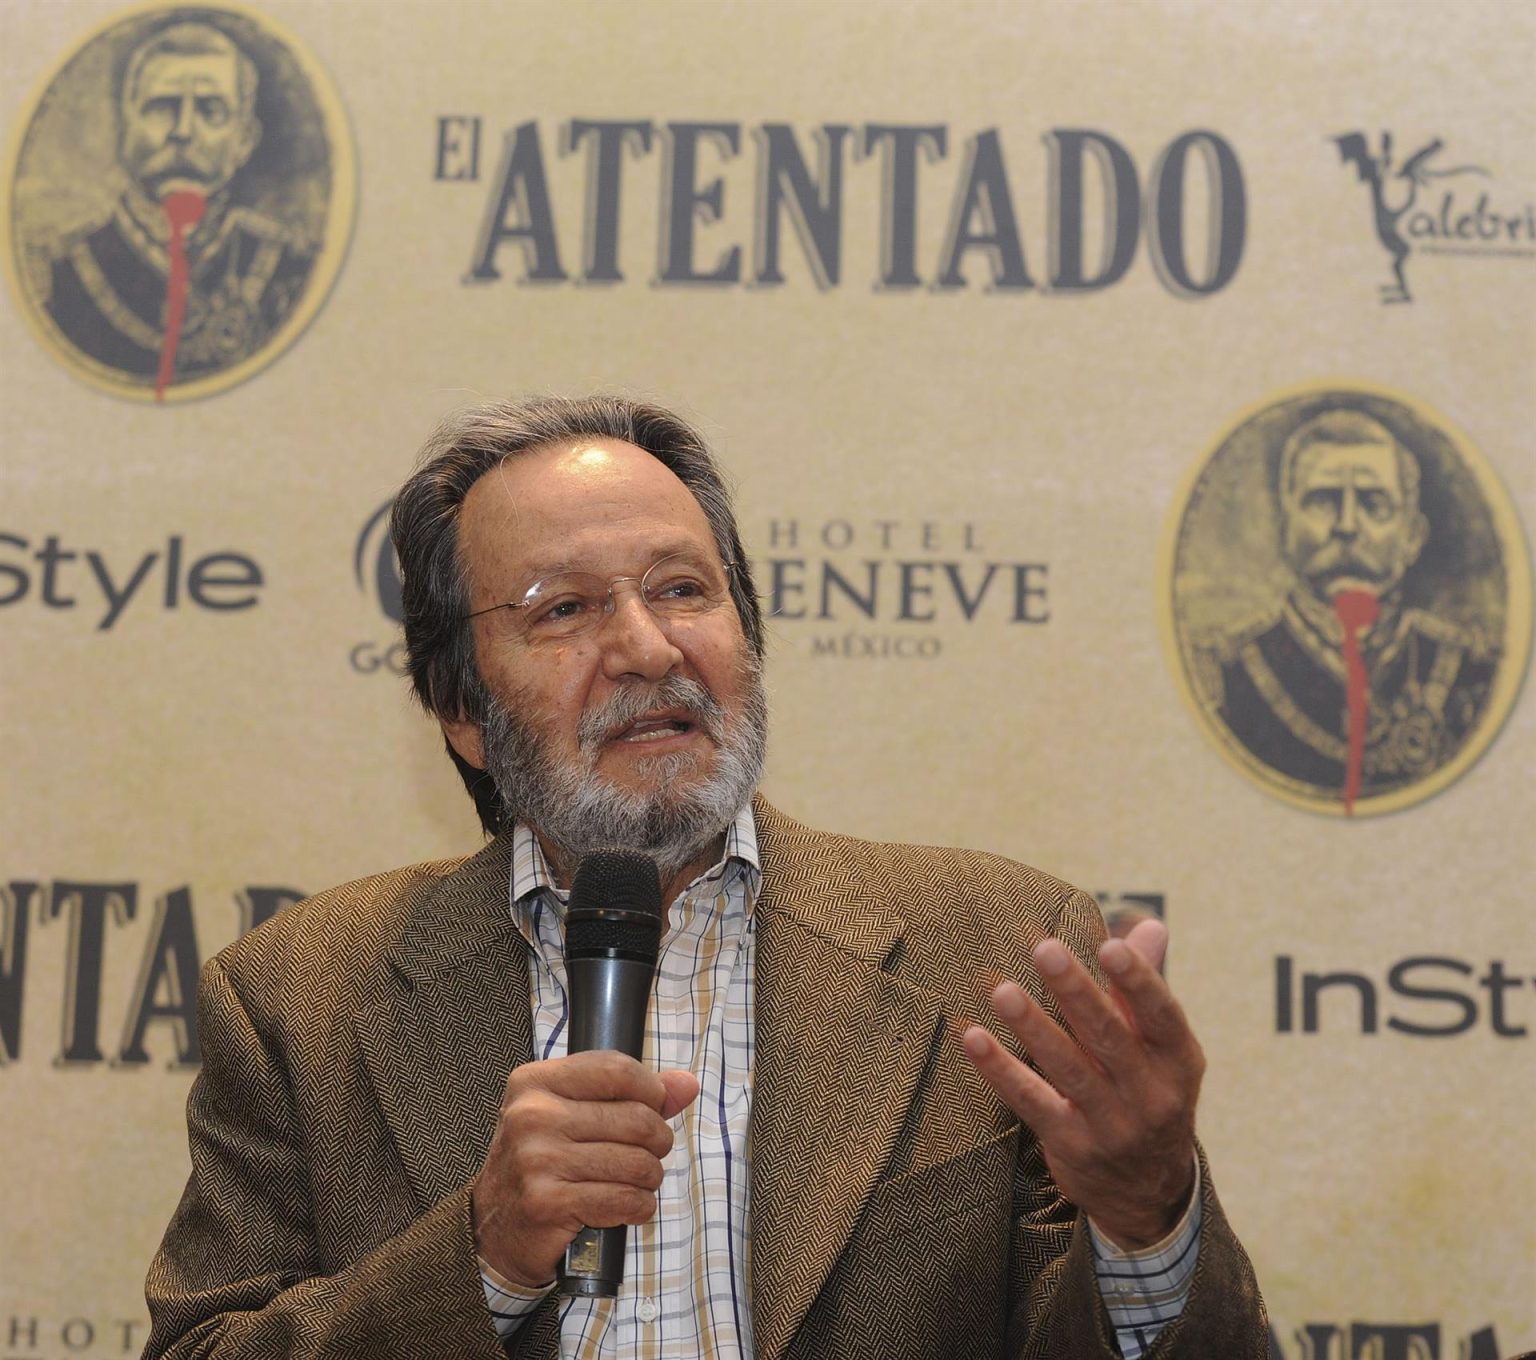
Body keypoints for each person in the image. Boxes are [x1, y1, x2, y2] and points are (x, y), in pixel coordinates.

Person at [143, 396, 1267, 1358]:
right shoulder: (299, 998)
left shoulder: (1002, 947)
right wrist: (478, 1252)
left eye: (683, 588)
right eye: (566, 610)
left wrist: (1146, 1222)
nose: (647, 647)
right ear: (459, 710)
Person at [1207, 408, 1496, 802]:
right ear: (1284, 529)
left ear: (1412, 536)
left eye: (1373, 504)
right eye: (1323, 501)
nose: (1346, 525)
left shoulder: (1471, 670)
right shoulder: (1228, 674)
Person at [42, 20, 312, 383]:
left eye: (210, 110)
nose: (183, 130)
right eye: (161, 107)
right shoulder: (60, 269)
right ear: (125, 128)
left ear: (245, 139)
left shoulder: (290, 264)